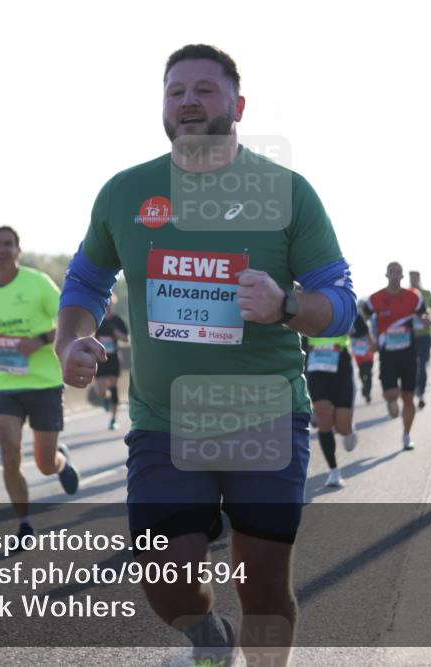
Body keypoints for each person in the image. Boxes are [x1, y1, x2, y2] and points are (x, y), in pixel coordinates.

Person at [54, 45, 356, 667]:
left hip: (265, 414)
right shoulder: (125, 193)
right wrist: (68, 340)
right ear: (163, 107)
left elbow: (342, 303)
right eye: (175, 92)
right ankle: (206, 637)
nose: (188, 101)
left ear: (237, 105)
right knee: (165, 582)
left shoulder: (287, 192)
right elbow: (85, 282)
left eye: (204, 90)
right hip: (166, 422)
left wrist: (286, 304)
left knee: (264, 585)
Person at [0, 226, 80, 542]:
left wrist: (38, 340)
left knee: (44, 464)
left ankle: (60, 462)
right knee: (10, 455)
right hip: (7, 386)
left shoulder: (37, 283)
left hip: (45, 384)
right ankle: (24, 524)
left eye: (7, 244)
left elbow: (70, 321)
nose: (0, 249)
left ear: (18, 251)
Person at [361, 262, 427, 451]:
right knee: (391, 396)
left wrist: (426, 320)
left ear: (402, 276)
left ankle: (406, 435)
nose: (395, 275)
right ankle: (391, 400)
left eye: (399, 272)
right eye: (392, 272)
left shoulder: (412, 297)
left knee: (408, 397)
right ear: (387, 275)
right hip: (387, 354)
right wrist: (370, 341)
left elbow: (424, 315)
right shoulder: (376, 298)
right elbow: (361, 319)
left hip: (408, 352)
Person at [303, 333, 358, 488]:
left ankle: (348, 429)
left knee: (342, 427)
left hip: (340, 360)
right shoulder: (304, 308)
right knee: (324, 421)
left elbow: (356, 327)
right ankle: (334, 471)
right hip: (315, 361)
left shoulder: (345, 308)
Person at [92, 297, 129, 430]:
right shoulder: (97, 319)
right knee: (101, 390)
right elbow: (87, 335)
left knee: (113, 386)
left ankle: (113, 419)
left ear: (113, 305)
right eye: (105, 304)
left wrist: (117, 334)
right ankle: (105, 398)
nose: (108, 307)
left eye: (110, 305)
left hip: (113, 358)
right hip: (99, 359)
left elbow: (126, 338)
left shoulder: (117, 320)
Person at [408, 270, 431, 409]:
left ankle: (421, 393)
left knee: (422, 363)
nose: (413, 280)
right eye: (411, 278)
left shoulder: (426, 294)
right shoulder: (405, 294)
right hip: (410, 335)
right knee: (413, 365)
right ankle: (414, 387)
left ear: (419, 278)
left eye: (415, 278)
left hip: (425, 334)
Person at [350, 303, 375, 404]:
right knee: (362, 371)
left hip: (366, 351)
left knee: (368, 372)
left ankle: (367, 392)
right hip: (358, 351)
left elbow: (369, 334)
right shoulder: (354, 319)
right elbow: (350, 333)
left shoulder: (366, 322)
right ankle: (365, 387)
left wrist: (372, 345)